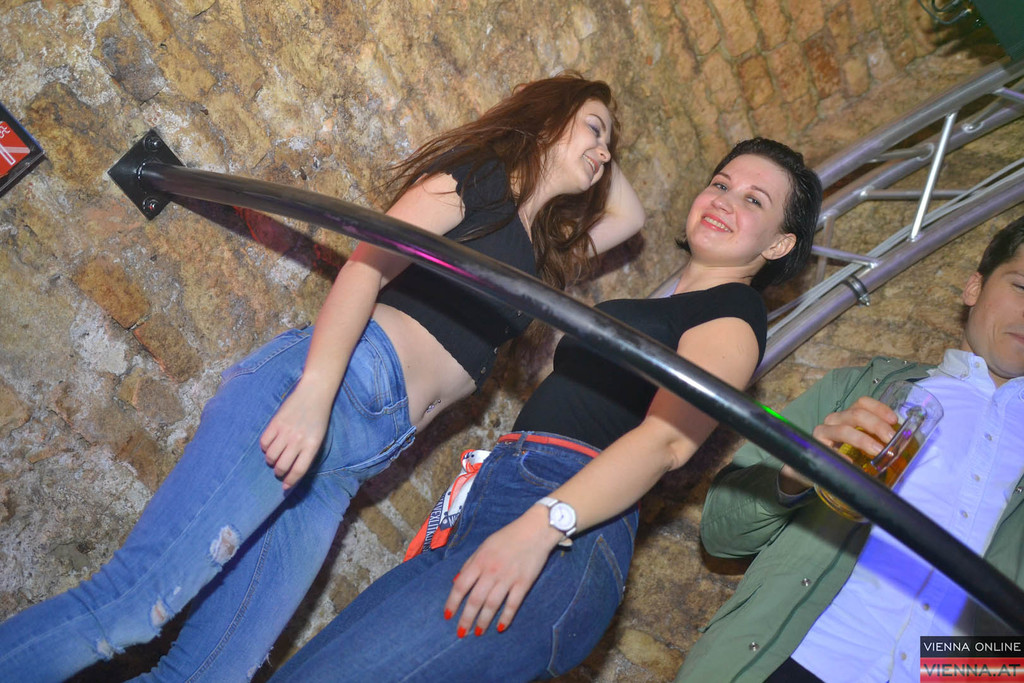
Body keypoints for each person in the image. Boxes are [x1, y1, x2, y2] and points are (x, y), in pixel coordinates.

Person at [0, 73, 646, 681]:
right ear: (547, 120)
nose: (602, 152)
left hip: (348, 466)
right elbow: (366, 264)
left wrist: (597, 137)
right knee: (126, 609)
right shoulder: (479, 182)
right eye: (593, 130)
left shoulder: (539, 254)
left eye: (609, 145)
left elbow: (631, 219)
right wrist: (315, 391)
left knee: (210, 672)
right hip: (332, 392)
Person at [269, 137, 823, 682]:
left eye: (754, 200)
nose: (725, 200)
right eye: (721, 184)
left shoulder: (736, 314)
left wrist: (544, 525)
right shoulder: (675, 306)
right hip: (513, 493)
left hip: (562, 520)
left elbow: (669, 442)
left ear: (779, 245)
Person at [675, 215, 1024, 683]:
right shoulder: (862, 389)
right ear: (974, 288)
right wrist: (797, 475)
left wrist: (977, 668)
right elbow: (721, 533)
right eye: (1021, 287)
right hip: (793, 662)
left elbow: (1009, 654)